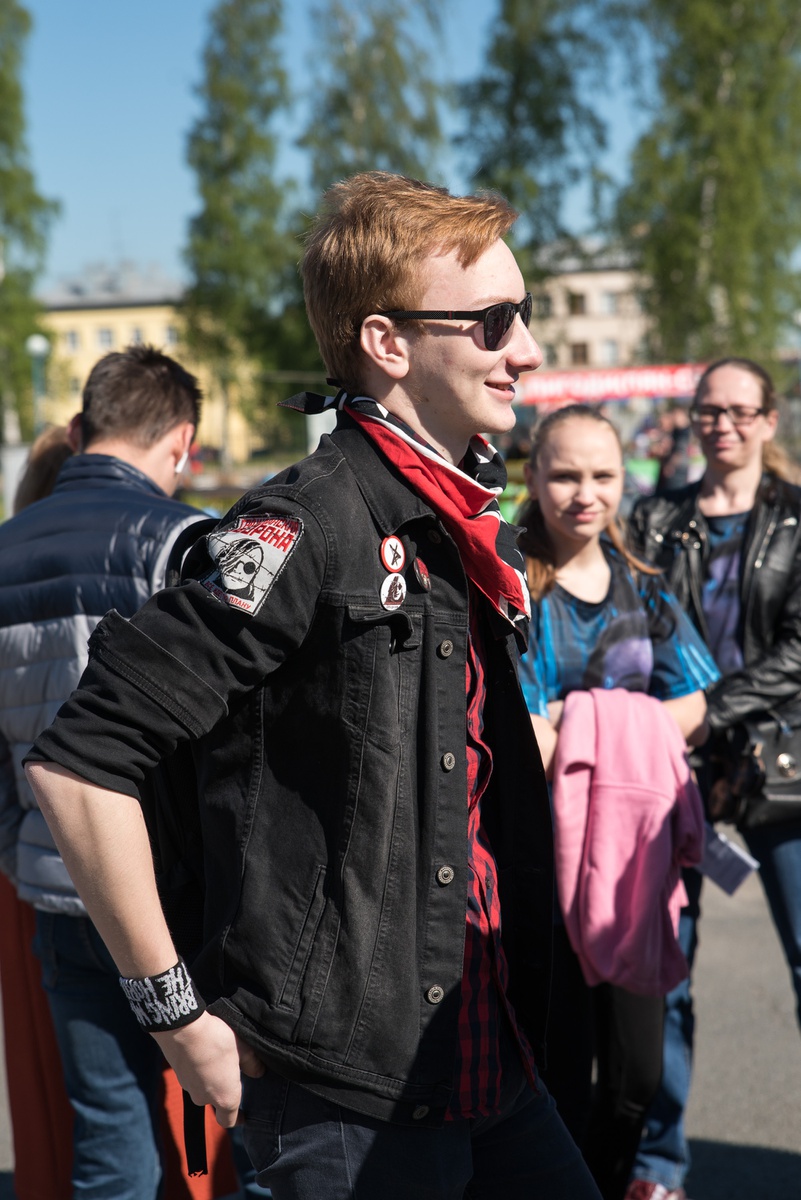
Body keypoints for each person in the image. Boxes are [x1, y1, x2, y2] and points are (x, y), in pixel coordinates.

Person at [25, 172, 602, 1200]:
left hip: (484, 1048)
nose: (526, 349)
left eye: (524, 316)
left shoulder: (459, 520)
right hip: (346, 1090)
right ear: (388, 342)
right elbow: (79, 763)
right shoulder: (304, 521)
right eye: (493, 321)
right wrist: (174, 1017)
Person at [0, 345, 239, 1200]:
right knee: (251, 1129)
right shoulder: (187, 542)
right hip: (179, 899)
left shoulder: (3, 548)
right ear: (182, 442)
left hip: (60, 890)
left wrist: (22, 845)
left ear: (78, 431)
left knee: (111, 1144)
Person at [517, 405, 718, 1200]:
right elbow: (519, 732)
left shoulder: (644, 587)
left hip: (635, 862)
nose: (584, 493)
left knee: (636, 1074)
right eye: (564, 474)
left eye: (602, 475)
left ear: (622, 480)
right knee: (560, 1074)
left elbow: (696, 702)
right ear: (532, 476)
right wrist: (631, 724)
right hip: (542, 864)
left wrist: (580, 720)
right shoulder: (509, 586)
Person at [626, 357, 801, 1200]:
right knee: (665, 978)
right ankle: (657, 1168)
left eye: (738, 410)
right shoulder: (653, 519)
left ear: (767, 420)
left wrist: (705, 707)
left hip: (783, 770)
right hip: (672, 771)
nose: (721, 424)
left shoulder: (796, 518)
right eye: (707, 410)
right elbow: (625, 621)